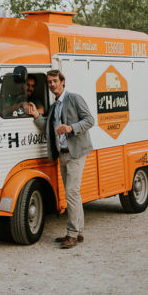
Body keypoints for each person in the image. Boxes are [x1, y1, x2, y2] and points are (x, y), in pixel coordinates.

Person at [25, 69, 94, 249]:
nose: (52, 84)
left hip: (75, 153)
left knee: (71, 193)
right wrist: (36, 116)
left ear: (63, 82)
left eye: (55, 81)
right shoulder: (55, 106)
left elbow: (90, 120)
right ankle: (78, 233)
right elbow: (48, 128)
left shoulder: (74, 98)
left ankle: (71, 234)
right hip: (62, 154)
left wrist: (71, 128)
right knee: (74, 194)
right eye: (49, 82)